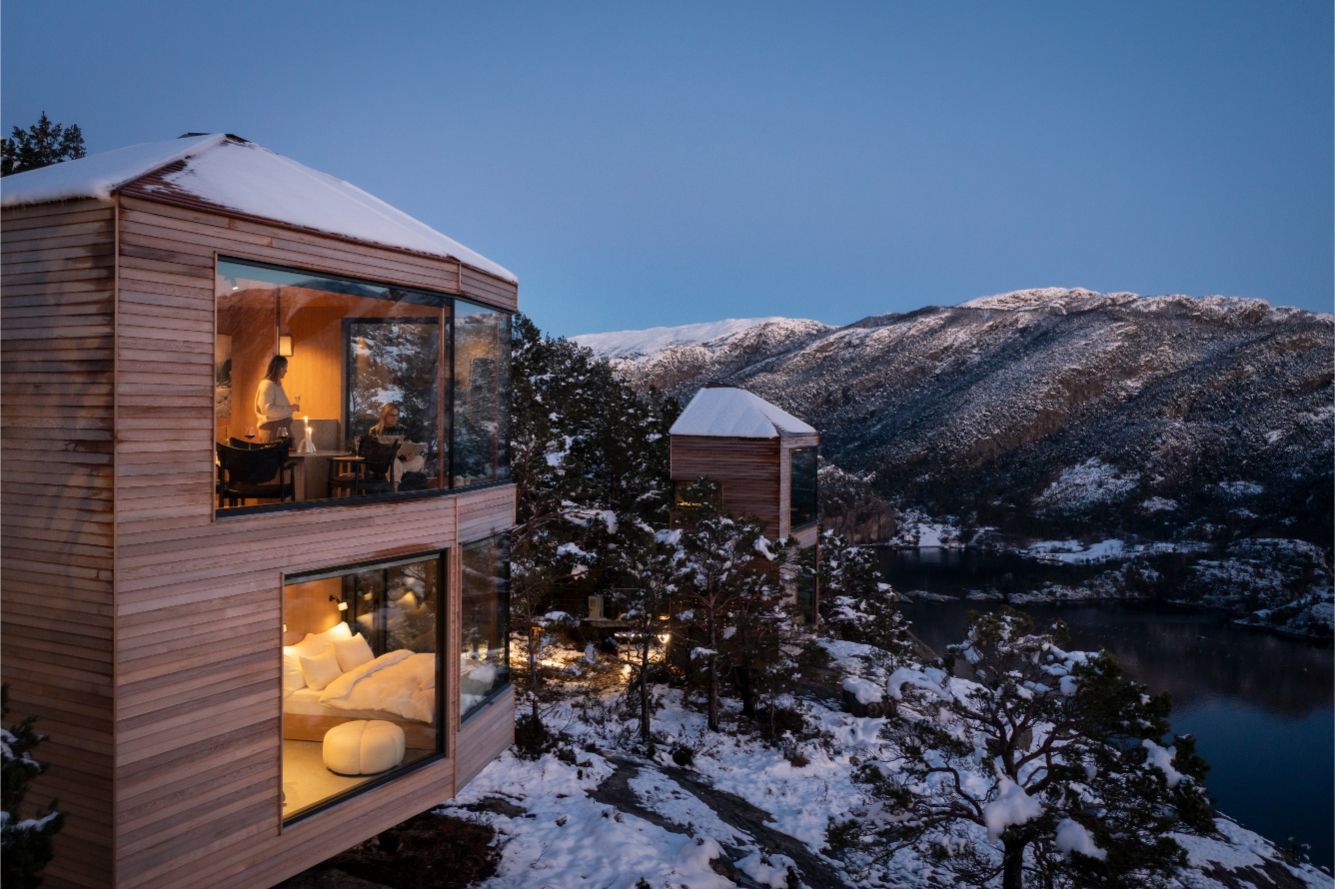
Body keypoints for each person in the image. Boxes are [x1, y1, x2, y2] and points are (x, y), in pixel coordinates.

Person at [254, 355, 300, 442]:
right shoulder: (267, 385)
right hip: (273, 430)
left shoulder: (275, 385)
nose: (286, 371)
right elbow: (267, 410)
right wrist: (290, 408)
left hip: (279, 430)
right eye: (285, 368)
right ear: (279, 368)